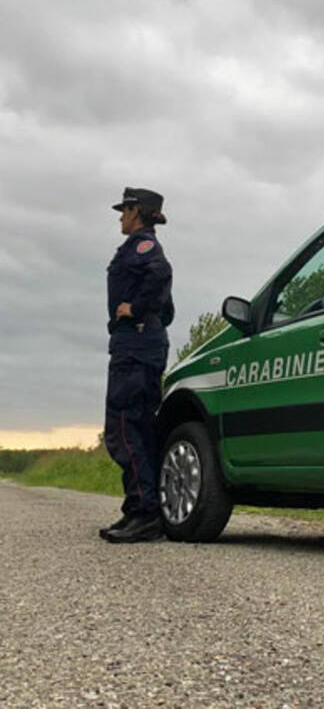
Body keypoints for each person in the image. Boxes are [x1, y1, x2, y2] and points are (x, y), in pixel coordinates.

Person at [100, 187, 174, 543]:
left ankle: (144, 511)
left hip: (135, 344)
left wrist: (137, 310)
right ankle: (140, 509)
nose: (120, 217)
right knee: (140, 427)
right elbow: (167, 306)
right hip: (143, 342)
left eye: (124, 210)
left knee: (123, 426)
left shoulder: (143, 246)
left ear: (136, 212)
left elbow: (160, 275)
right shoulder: (141, 248)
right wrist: (153, 315)